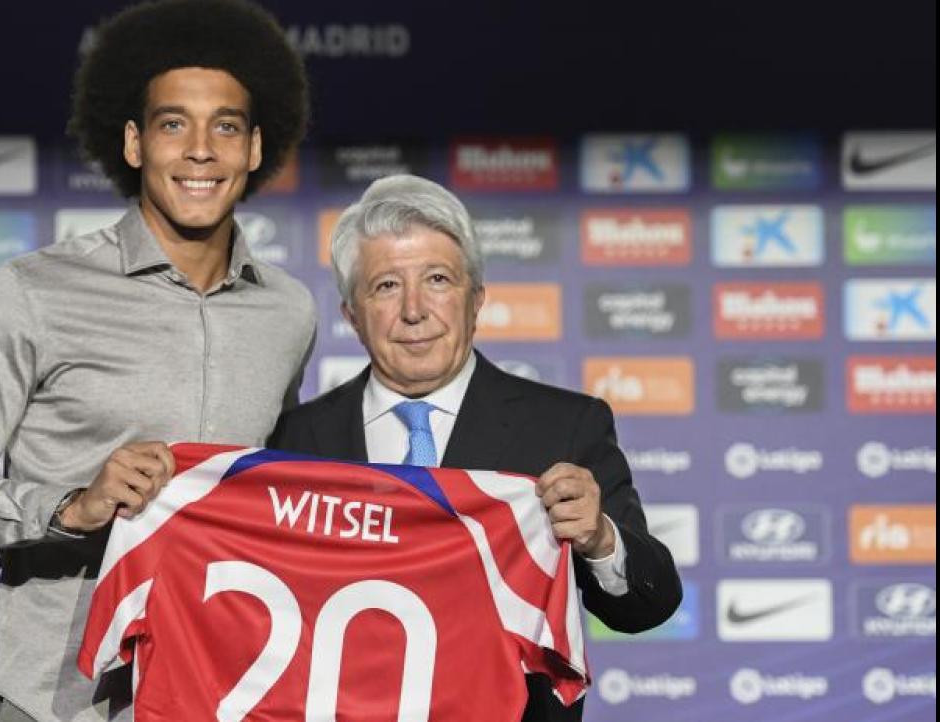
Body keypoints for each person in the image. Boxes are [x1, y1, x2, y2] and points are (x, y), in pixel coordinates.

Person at [0, 0, 315, 722]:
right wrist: (72, 507)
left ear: (255, 149)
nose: (200, 150)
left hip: (222, 690)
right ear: (133, 144)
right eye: (172, 125)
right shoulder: (32, 291)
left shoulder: (288, 311)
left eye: (226, 126)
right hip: (58, 699)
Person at [268, 174, 682, 722]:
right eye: (386, 286)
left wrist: (599, 538)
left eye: (437, 280)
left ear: (476, 299)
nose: (414, 310)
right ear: (352, 315)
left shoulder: (566, 426)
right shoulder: (295, 440)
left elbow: (644, 607)